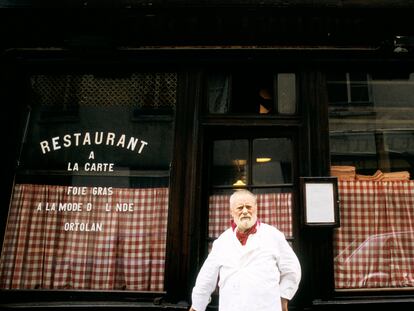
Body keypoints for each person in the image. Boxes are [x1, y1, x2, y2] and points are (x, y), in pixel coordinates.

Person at [189, 189, 301, 311]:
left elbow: (292, 269)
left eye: (248, 207)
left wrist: (284, 297)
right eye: (240, 208)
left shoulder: (273, 235)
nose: (245, 211)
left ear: (256, 208)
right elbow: (206, 277)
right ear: (232, 212)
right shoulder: (222, 241)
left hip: (267, 306)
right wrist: (197, 306)